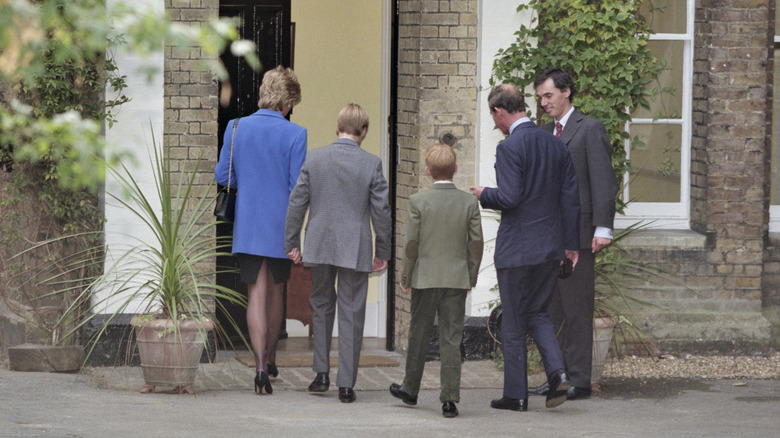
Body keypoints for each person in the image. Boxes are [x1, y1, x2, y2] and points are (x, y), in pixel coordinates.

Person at [470, 83, 580, 412]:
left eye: (494, 117)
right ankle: (558, 373)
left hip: (517, 249)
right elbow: (570, 200)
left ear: (500, 112)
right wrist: (570, 246)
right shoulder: (555, 144)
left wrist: (482, 193)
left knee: (514, 319)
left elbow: (510, 197)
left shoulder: (509, 147)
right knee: (538, 313)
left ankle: (516, 395)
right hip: (550, 247)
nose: (496, 123)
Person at [284, 103, 392, 404]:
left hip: (319, 243)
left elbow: (297, 202)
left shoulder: (315, 158)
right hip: (355, 245)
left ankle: (320, 375)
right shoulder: (371, 164)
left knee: (321, 305)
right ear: (364, 131)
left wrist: (291, 241)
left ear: (337, 126)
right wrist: (383, 249)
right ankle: (346, 384)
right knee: (352, 311)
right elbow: (381, 211)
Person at [214, 65, 306, 396]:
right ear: (288, 101)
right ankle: (271, 356)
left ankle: (259, 369)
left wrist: (249, 180)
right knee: (277, 289)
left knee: (256, 292)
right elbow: (298, 187)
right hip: (281, 223)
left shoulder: (236, 127)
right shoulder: (296, 134)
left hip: (249, 221)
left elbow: (224, 175)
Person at [529, 67, 619, 400]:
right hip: (547, 236)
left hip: (579, 235)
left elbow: (603, 181)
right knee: (549, 310)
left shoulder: (589, 129)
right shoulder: (543, 132)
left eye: (548, 95)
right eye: (539, 98)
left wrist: (603, 227)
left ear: (567, 92)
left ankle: (579, 380)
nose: (543, 103)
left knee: (577, 310)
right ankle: (557, 376)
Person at [389, 143, 484, 418]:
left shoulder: (419, 201)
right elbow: (475, 243)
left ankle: (410, 389)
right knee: (451, 338)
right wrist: (471, 274)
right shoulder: (469, 202)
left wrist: (406, 275)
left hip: (424, 278)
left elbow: (411, 245)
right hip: (456, 279)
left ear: (428, 171)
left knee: (418, 334)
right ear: (455, 169)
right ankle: (449, 400)